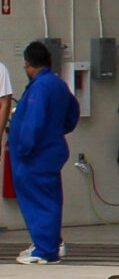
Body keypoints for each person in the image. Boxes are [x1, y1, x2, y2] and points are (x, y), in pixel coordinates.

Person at [12, 41, 75, 265]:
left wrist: (23, 149)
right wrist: (56, 131)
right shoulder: (59, 84)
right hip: (52, 150)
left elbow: (33, 122)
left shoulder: (39, 87)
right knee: (49, 199)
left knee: (38, 201)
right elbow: (72, 114)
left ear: (28, 65)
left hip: (35, 155)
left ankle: (45, 251)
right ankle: (49, 243)